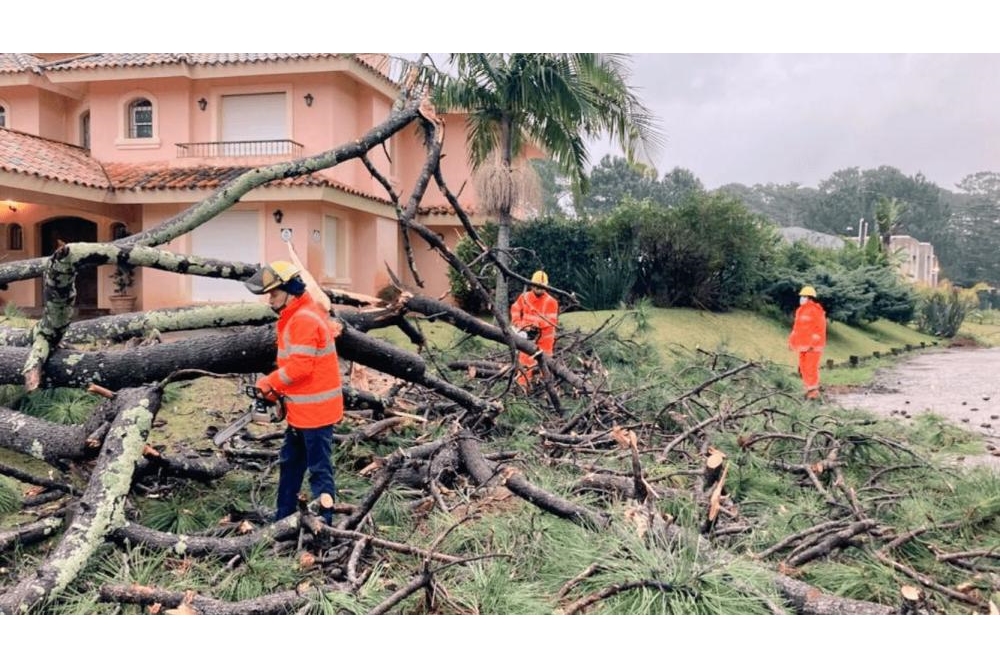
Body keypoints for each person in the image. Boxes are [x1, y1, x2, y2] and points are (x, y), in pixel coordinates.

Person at [244, 260, 344, 524]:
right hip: (301, 412)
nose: (270, 300)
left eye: (274, 293)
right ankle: (283, 518)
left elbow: (300, 367)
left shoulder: (303, 320)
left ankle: (326, 524)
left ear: (289, 290)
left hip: (317, 413)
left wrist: (270, 383)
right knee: (290, 464)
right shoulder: (295, 316)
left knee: (319, 470)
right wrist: (278, 390)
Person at [510, 270, 559, 388]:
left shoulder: (551, 302)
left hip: (545, 340)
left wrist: (535, 325)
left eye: (542, 287)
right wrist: (518, 323)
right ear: (532, 284)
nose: (539, 289)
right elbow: (515, 308)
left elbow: (551, 321)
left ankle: (544, 388)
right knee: (525, 362)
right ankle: (523, 388)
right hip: (528, 336)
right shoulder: (524, 297)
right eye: (537, 286)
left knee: (545, 364)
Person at [788, 285, 827, 400]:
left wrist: (813, 344)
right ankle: (807, 389)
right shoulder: (800, 311)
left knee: (811, 368)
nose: (802, 298)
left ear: (810, 298)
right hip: (803, 346)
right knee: (804, 368)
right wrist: (792, 341)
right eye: (801, 296)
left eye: (804, 296)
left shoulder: (816, 310)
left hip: (813, 347)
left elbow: (820, 328)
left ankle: (813, 393)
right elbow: (796, 328)